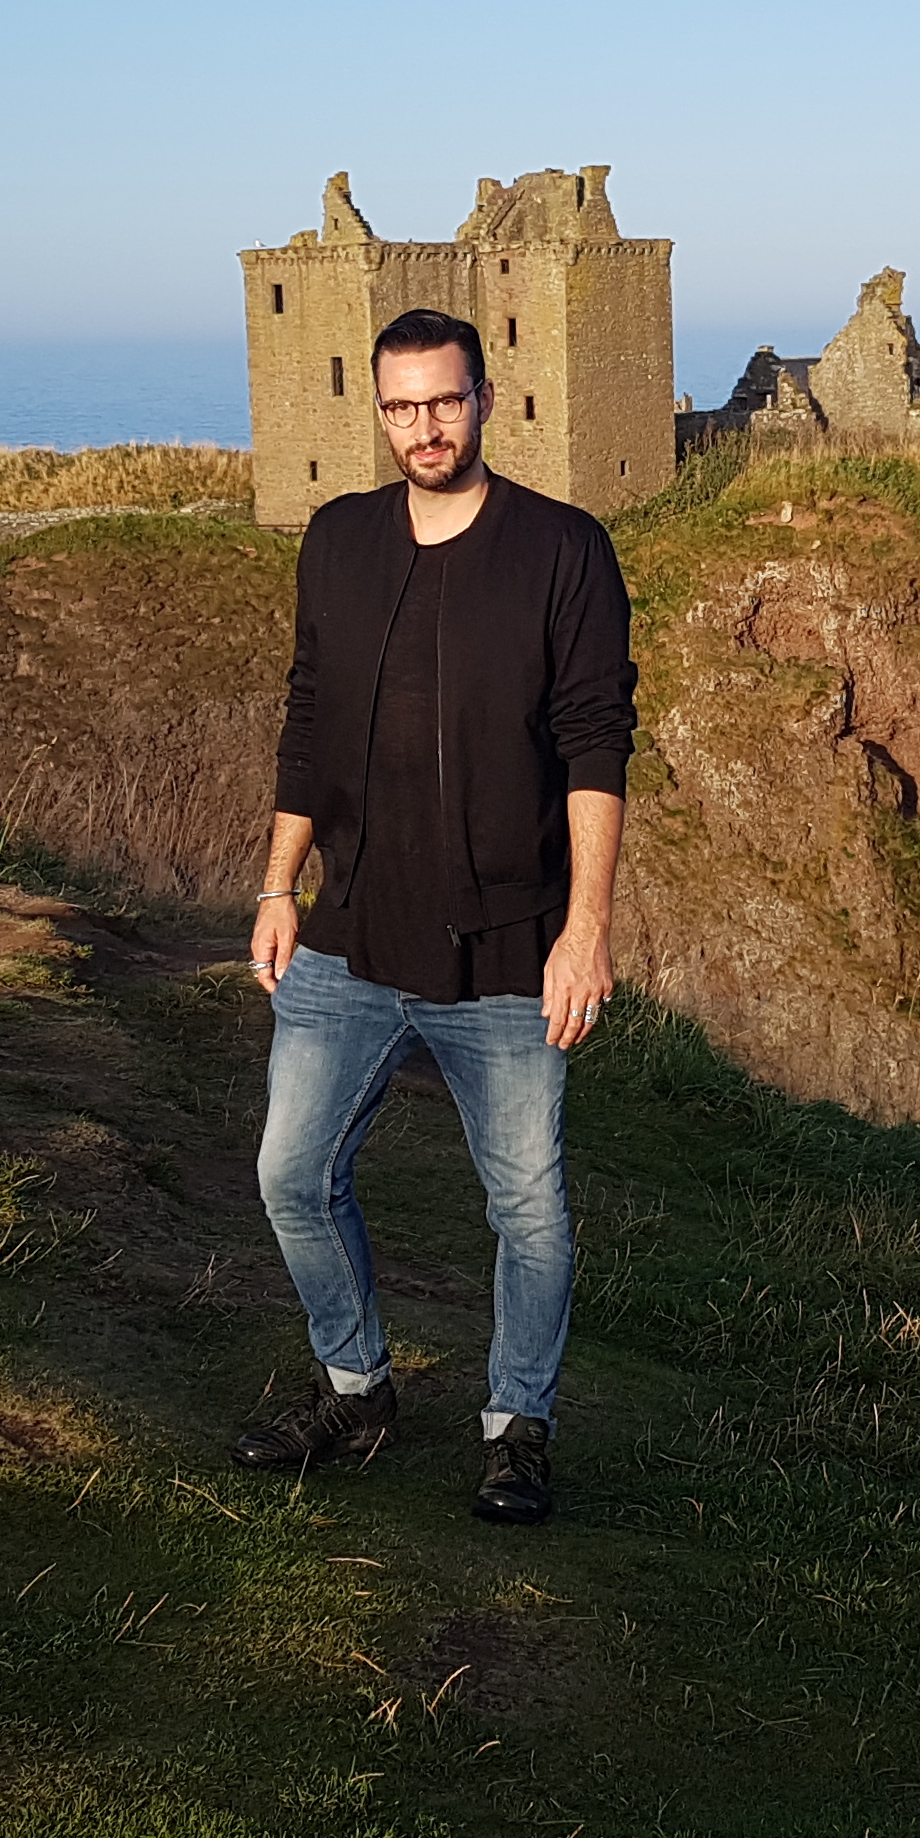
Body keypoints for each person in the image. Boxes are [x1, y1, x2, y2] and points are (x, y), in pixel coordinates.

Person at [236, 306, 637, 1525]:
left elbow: (595, 746)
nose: (426, 426)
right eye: (403, 406)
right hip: (349, 935)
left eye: (446, 400)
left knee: (528, 1208)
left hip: (513, 949)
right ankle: (357, 1390)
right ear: (379, 410)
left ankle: (519, 1428)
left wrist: (588, 930)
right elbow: (308, 720)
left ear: (487, 397)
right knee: (290, 1174)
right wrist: (276, 885)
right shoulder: (338, 541)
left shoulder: (565, 551)